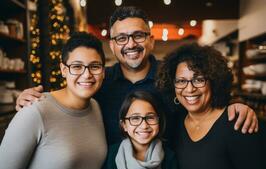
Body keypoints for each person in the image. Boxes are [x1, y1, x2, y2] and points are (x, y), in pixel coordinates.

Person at [15, 6, 258, 146]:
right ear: (112, 45)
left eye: (138, 36)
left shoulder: (174, 77)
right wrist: (33, 99)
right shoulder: (98, 81)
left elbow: (206, 101)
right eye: (122, 38)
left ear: (151, 40)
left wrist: (236, 105)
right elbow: (66, 99)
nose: (131, 44)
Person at [0, 32, 107, 169]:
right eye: (77, 66)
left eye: (94, 66)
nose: (87, 74)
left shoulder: (97, 107)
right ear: (63, 69)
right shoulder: (35, 110)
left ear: (103, 71)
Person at [156, 43, 266, 169]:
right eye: (181, 81)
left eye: (199, 79)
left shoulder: (237, 124)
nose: (189, 89)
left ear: (214, 81)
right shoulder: (175, 122)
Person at [99, 90, 181, 169]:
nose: (144, 125)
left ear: (159, 122)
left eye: (150, 117)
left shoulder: (169, 158)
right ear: (124, 125)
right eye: (135, 118)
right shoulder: (111, 155)